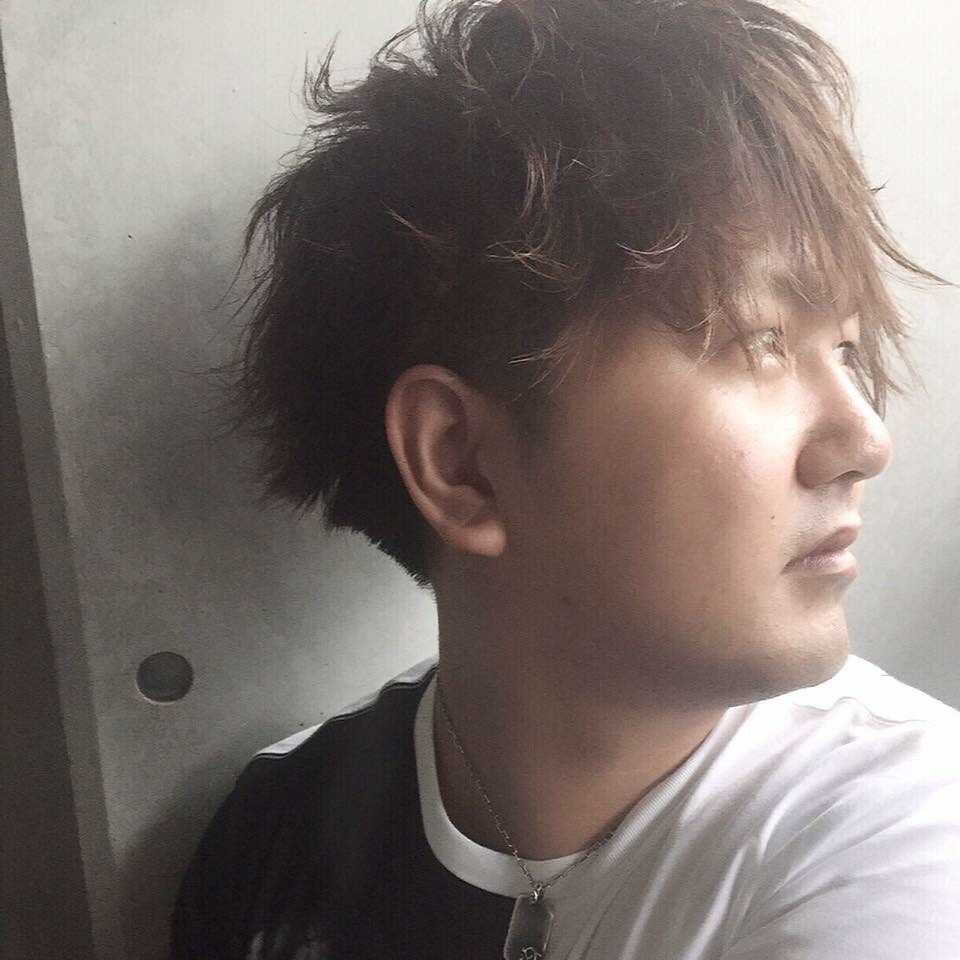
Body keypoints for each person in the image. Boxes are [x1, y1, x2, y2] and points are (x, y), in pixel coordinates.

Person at [171, 0, 960, 957]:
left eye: (846, 349)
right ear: (462, 462)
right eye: (760, 339)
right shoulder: (274, 836)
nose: (865, 441)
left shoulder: (908, 839)